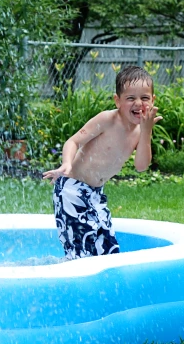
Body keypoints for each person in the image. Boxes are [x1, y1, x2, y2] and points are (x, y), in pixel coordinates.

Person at [42, 66, 162, 260]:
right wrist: (66, 164)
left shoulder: (141, 131)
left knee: (107, 252)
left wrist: (146, 131)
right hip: (72, 190)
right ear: (117, 100)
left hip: (96, 195)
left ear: (152, 101)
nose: (138, 103)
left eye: (144, 98)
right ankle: (75, 285)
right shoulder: (107, 120)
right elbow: (73, 141)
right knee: (79, 253)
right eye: (130, 98)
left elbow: (141, 166)